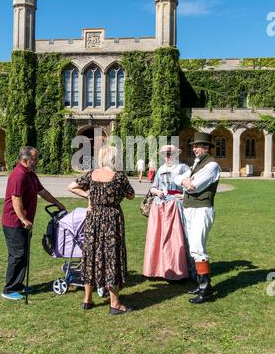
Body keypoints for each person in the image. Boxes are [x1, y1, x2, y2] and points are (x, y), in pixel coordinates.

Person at [67, 145, 136, 314]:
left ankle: (87, 299)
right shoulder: (119, 176)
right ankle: (115, 304)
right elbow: (131, 195)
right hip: (112, 219)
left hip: (93, 218)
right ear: (114, 159)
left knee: (91, 255)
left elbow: (71, 186)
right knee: (112, 257)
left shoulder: (92, 174)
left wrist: (89, 195)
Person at [1, 146, 66, 300]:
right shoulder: (18, 175)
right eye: (34, 159)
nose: (36, 161)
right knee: (17, 255)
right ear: (25, 160)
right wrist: (23, 219)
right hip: (14, 223)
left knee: (23, 255)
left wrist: (57, 203)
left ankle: (18, 285)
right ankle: (9, 290)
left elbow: (42, 191)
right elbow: (16, 198)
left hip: (24, 223)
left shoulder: (30, 174)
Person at [173, 132, 221, 304]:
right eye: (193, 146)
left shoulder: (212, 166)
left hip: (202, 209)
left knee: (198, 247)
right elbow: (177, 177)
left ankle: (205, 289)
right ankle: (201, 285)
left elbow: (193, 186)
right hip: (191, 208)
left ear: (206, 148)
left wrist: (186, 182)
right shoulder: (196, 163)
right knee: (194, 247)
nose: (193, 149)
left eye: (197, 146)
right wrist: (185, 181)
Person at [143, 145, 190, 282]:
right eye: (166, 154)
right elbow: (153, 187)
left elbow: (191, 185)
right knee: (157, 237)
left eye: (171, 154)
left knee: (173, 239)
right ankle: (155, 269)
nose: (168, 156)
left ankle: (176, 271)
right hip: (159, 207)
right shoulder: (161, 169)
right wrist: (156, 191)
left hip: (174, 206)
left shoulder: (183, 168)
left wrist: (184, 195)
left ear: (176, 154)